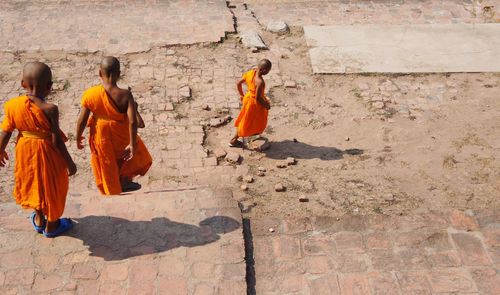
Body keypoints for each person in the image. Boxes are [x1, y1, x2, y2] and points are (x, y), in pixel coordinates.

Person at [0, 62, 76, 237]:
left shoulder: (13, 106)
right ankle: (52, 224)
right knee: (52, 186)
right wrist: (70, 163)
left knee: (33, 183)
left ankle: (40, 219)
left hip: (25, 150)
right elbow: (56, 140)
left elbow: (6, 132)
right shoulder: (50, 109)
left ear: (22, 84)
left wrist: (1, 150)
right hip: (48, 151)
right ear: (50, 86)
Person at [76, 56, 152, 195]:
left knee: (106, 160)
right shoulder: (125, 95)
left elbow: (81, 120)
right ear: (119, 74)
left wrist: (78, 137)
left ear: (100, 73)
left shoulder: (90, 94)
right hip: (121, 135)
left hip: (101, 134)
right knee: (126, 156)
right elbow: (133, 122)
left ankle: (112, 185)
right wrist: (132, 144)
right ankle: (123, 181)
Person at [230, 59, 272, 147]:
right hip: (254, 104)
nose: (269, 72)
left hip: (247, 98)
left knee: (247, 118)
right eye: (268, 70)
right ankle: (233, 140)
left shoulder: (250, 72)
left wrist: (242, 95)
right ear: (263, 70)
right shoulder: (260, 82)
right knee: (247, 120)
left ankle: (251, 133)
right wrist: (266, 105)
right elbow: (258, 98)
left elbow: (238, 83)